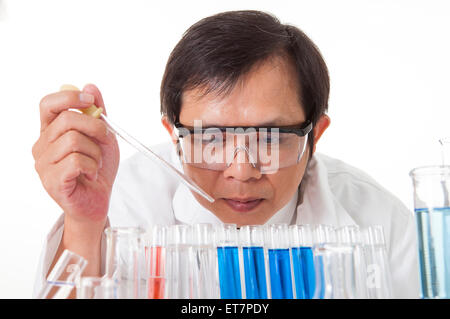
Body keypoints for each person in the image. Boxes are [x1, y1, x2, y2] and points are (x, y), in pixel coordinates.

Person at [32, 10, 420, 298]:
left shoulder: (378, 223)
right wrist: (83, 223)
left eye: (271, 137)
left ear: (315, 135)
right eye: (211, 138)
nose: (242, 170)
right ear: (174, 135)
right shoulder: (125, 198)